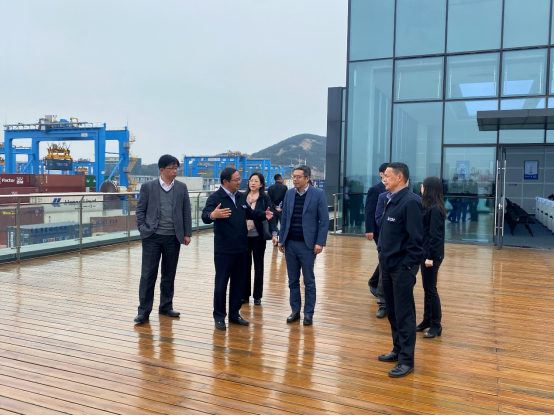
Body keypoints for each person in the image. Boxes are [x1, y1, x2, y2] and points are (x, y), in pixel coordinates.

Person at [202, 167, 273, 331]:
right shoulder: (215, 198)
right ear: (225, 181)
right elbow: (205, 216)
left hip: (242, 248)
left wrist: (264, 215)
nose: (239, 182)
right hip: (224, 250)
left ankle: (234, 314)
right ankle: (219, 317)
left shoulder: (240, 197)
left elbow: (250, 214)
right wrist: (213, 215)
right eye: (236, 180)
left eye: (240, 179)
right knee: (221, 285)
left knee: (238, 284)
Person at [377, 163, 424, 378]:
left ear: (400, 177)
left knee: (405, 314)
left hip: (401, 268)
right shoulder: (390, 199)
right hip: (387, 266)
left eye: (387, 176)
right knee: (393, 312)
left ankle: (407, 360)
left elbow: (417, 238)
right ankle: (397, 349)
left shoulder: (411, 202)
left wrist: (408, 266)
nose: (384, 179)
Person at [134, 155, 192, 324]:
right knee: (148, 275)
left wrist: (186, 233)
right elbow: (140, 210)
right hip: (152, 237)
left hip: (173, 237)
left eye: (176, 168)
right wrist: (143, 229)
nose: (175, 171)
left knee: (169, 274)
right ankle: (143, 311)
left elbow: (186, 211)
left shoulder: (181, 187)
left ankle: (166, 306)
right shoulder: (148, 187)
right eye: (171, 168)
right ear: (161, 170)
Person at [278, 165, 329, 326]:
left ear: (307, 178)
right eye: (293, 176)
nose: (295, 179)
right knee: (292, 280)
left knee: (309, 280)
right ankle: (295, 311)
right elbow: (284, 218)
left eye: (298, 177)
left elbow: (324, 220)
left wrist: (320, 242)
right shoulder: (289, 193)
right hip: (290, 244)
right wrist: (281, 239)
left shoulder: (318, 194)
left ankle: (308, 313)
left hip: (308, 245)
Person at [242, 172, 278, 306]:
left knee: (258, 266)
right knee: (244, 266)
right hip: (244, 236)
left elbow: (271, 216)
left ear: (261, 184)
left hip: (258, 236)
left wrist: (274, 233)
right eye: (251, 180)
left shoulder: (265, 198)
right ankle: (244, 295)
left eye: (256, 181)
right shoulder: (242, 197)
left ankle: (257, 295)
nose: (253, 183)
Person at [418, 176, 447, 339]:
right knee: (427, 289)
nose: (421, 188)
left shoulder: (435, 209)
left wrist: (429, 257)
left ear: (428, 188)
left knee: (431, 290)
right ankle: (427, 320)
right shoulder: (430, 207)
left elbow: (435, 236)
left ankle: (436, 324)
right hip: (427, 254)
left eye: (423, 186)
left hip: (431, 256)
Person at [365, 163, 389, 319]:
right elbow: (369, 210)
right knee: (384, 257)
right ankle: (379, 292)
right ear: (381, 174)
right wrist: (369, 229)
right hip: (378, 230)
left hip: (390, 231)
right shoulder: (375, 190)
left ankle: (374, 282)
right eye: (386, 174)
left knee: (384, 258)